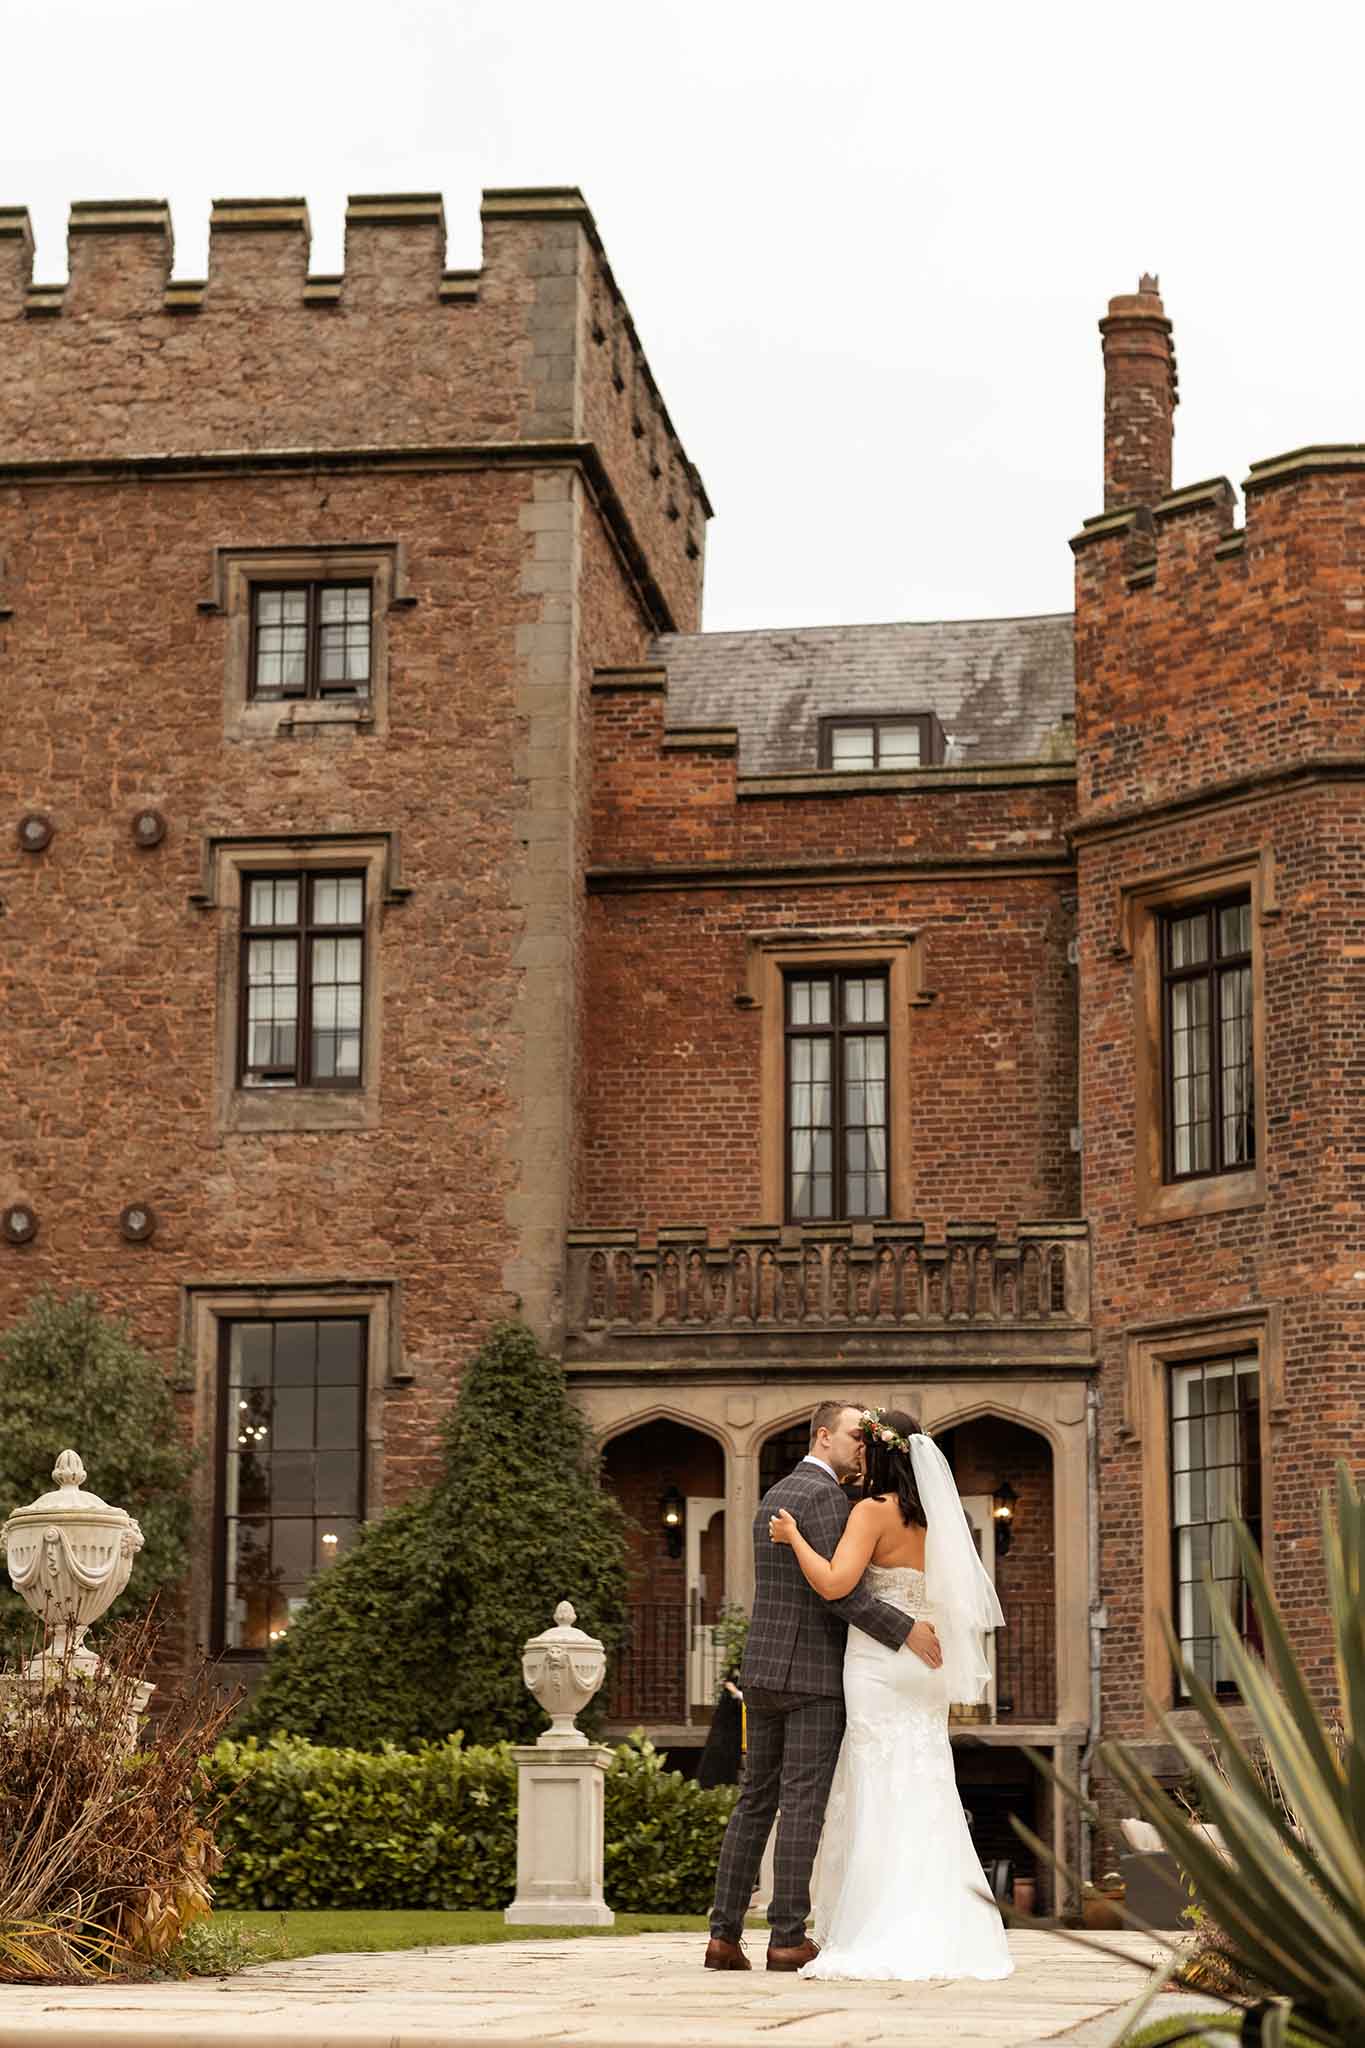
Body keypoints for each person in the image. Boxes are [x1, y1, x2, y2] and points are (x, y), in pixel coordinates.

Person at [769, 1406, 1013, 1981]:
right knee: (926, 1781)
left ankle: (878, 1922)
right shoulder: (939, 1521)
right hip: (927, 1667)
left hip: (880, 1663)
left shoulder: (872, 1512)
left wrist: (794, 1536)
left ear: (877, 1454)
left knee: (876, 1784)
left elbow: (834, 1583)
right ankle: (949, 1920)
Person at [704, 1401, 944, 1973]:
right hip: (812, 1677)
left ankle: (722, 1935)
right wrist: (904, 1628)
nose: (863, 1447)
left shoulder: (775, 1494)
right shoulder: (832, 1500)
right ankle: (787, 1938)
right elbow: (843, 1593)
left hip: (761, 1671)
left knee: (754, 1803)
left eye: (868, 1438)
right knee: (803, 1806)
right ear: (823, 1436)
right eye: (855, 1436)